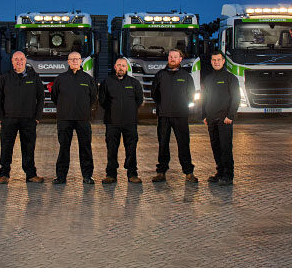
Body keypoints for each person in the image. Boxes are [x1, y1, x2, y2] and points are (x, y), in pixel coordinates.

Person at [0, 51, 44, 184]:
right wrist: (1, 117)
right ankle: (4, 174)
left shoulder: (34, 77)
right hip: (9, 119)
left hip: (28, 119)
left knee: (28, 147)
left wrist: (37, 117)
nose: (19, 61)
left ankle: (31, 174)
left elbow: (41, 98)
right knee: (6, 147)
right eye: (16, 59)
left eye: (21, 59)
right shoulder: (5, 78)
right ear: (12, 61)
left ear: (25, 60)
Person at [151, 48, 198, 183]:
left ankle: (189, 172)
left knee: (184, 144)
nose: (172, 59)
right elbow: (154, 94)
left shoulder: (186, 76)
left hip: (181, 115)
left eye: (175, 57)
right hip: (164, 116)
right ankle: (161, 172)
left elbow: (191, 94)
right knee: (163, 145)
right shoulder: (160, 75)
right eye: (171, 56)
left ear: (180, 59)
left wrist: (182, 105)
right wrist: (162, 106)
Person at [51, 51, 97, 184]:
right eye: (72, 59)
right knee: (64, 147)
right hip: (64, 119)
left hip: (83, 118)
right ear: (68, 62)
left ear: (81, 61)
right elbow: (55, 97)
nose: (75, 61)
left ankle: (87, 176)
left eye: (77, 59)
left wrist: (85, 110)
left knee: (85, 148)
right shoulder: (60, 79)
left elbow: (93, 97)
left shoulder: (88, 79)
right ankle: (61, 176)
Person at [99, 57, 143, 184]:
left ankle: (132, 174)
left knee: (131, 149)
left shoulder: (134, 83)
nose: (121, 68)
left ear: (127, 68)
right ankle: (111, 174)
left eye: (123, 65)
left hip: (130, 122)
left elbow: (139, 101)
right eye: (118, 65)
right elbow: (102, 101)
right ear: (114, 67)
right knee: (111, 149)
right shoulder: (107, 82)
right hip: (112, 122)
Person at [203, 51, 240, 186]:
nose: (216, 62)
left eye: (219, 60)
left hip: (224, 119)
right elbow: (204, 98)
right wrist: (204, 115)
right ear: (211, 61)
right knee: (215, 147)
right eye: (214, 60)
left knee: (225, 147)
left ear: (223, 61)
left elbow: (236, 98)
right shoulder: (207, 79)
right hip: (211, 118)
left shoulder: (231, 78)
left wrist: (230, 116)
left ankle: (228, 175)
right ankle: (219, 172)